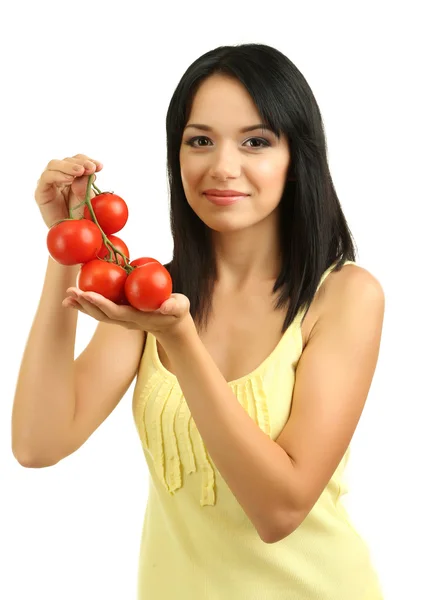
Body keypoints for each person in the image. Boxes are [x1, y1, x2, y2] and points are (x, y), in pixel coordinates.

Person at [12, 43, 385, 599]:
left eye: (255, 141)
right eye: (200, 141)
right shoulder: (148, 292)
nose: (222, 167)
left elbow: (279, 510)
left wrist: (180, 341)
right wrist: (69, 246)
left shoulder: (345, 296)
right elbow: (37, 443)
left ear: (295, 157)